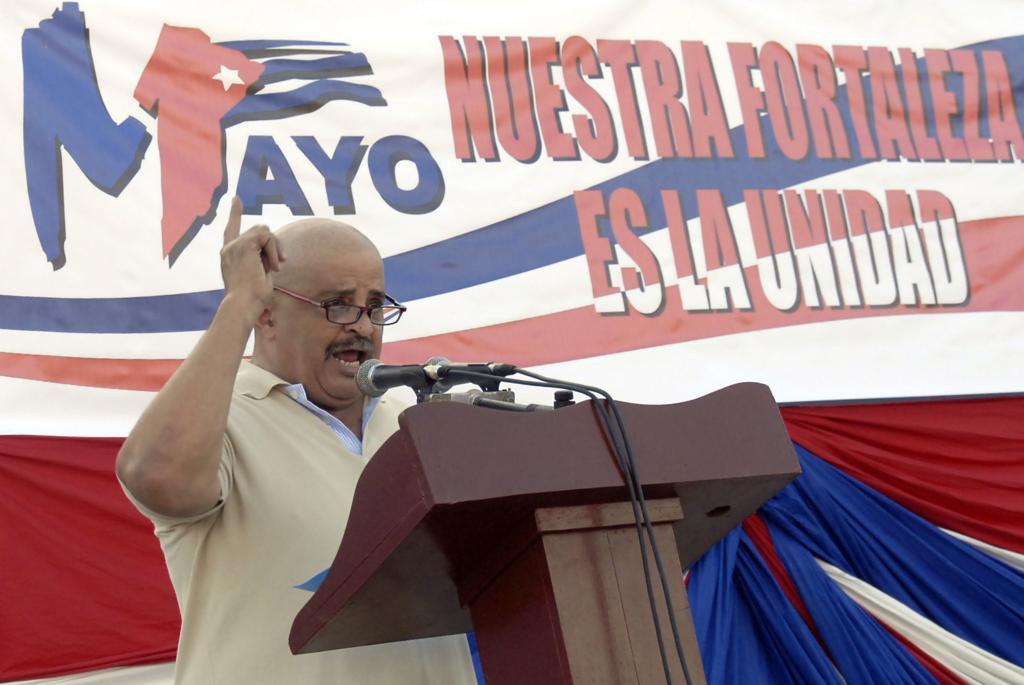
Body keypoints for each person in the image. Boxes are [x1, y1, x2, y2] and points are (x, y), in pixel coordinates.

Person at [116, 199, 477, 684]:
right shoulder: (220, 420)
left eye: (374, 306)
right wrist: (237, 304)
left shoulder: (418, 425)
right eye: (339, 304)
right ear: (267, 316)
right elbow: (155, 477)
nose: (363, 326)